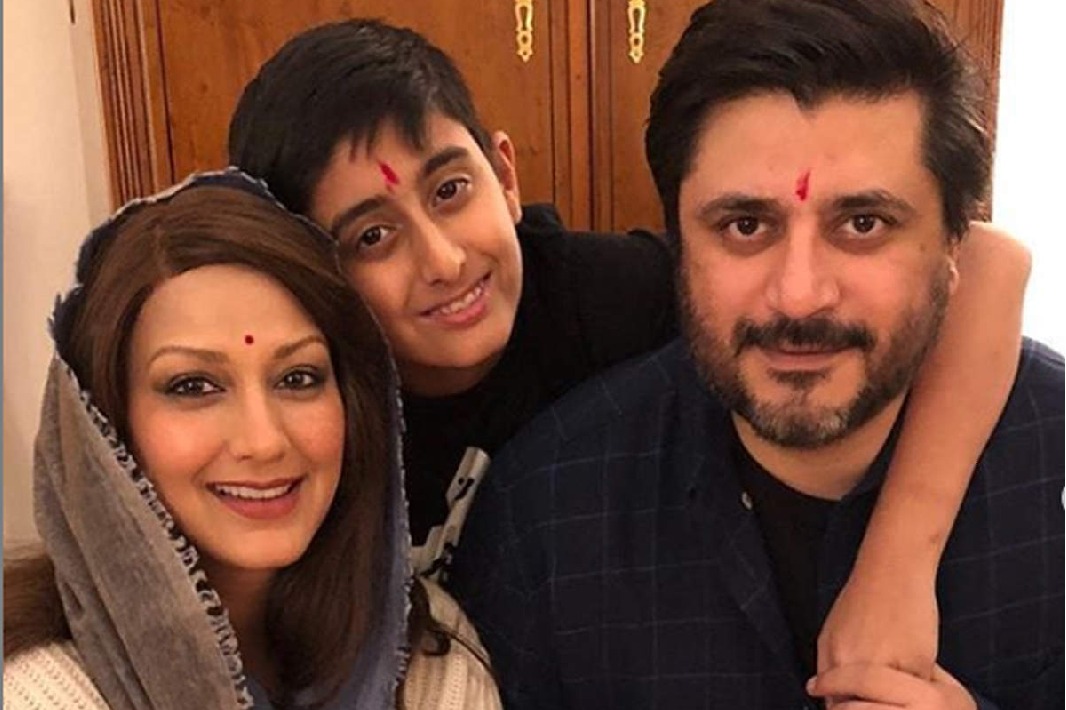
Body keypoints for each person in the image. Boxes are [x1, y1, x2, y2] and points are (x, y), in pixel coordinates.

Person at [227, 18, 1030, 676]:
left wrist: (897, 563)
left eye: (450, 190)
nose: (442, 260)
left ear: (504, 175)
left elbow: (982, 260)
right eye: (371, 236)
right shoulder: (297, 396)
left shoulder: (609, 292)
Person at [445, 0, 1064, 707]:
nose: (799, 296)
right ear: (678, 242)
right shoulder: (548, 516)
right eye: (745, 225)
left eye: (863, 223)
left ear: (955, 243)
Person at [2, 170, 501, 710]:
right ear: (105, 425)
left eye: (298, 378)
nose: (263, 442)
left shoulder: (431, 654)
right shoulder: (38, 691)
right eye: (193, 386)